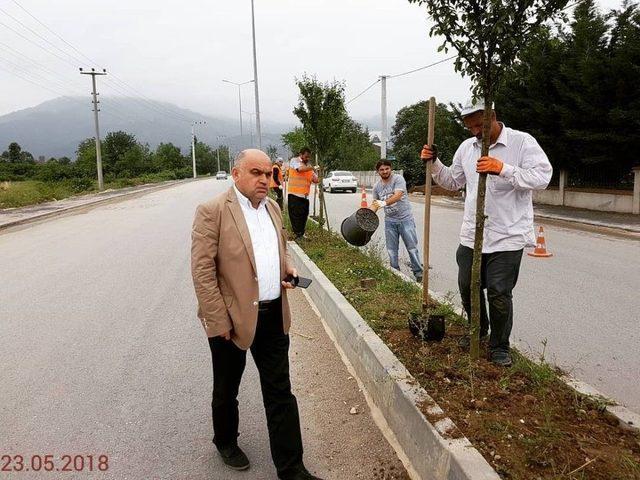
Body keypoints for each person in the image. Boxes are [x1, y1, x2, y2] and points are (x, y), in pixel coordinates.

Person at [191, 148, 322, 480]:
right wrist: (218, 320)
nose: (265, 179)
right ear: (236, 174)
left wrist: (287, 268)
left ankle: (292, 468)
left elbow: (279, 248)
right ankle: (225, 442)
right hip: (231, 319)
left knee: (280, 391)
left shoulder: (274, 207)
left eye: (268, 173)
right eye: (256, 173)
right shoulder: (213, 211)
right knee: (226, 387)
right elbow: (203, 271)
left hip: (273, 314)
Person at [420, 98, 552, 367]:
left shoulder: (522, 143)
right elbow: (453, 181)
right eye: (470, 128)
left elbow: (542, 177)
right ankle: (477, 331)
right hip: (472, 234)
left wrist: (502, 168)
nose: (475, 133)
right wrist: (434, 163)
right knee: (467, 286)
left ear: (494, 116)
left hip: (507, 236)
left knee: (499, 293)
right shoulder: (467, 148)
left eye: (480, 125)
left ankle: (500, 346)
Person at [371, 159, 424, 283]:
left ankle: (418, 273)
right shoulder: (376, 187)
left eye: (387, 169)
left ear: (391, 169)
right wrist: (367, 214)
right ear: (378, 172)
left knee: (411, 247)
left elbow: (398, 195)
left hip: (405, 219)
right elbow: (375, 204)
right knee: (391, 250)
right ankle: (395, 273)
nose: (385, 171)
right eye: (381, 170)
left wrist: (384, 202)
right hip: (390, 222)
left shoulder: (398, 179)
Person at [287, 147, 319, 239]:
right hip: (294, 195)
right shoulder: (294, 161)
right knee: (296, 216)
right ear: (300, 154)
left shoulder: (308, 167)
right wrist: (312, 167)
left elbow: (315, 179)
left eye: (309, 157)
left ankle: (301, 234)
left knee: (304, 216)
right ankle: (298, 235)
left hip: (304, 196)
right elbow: (300, 169)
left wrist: (318, 174)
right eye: (306, 156)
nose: (307, 158)